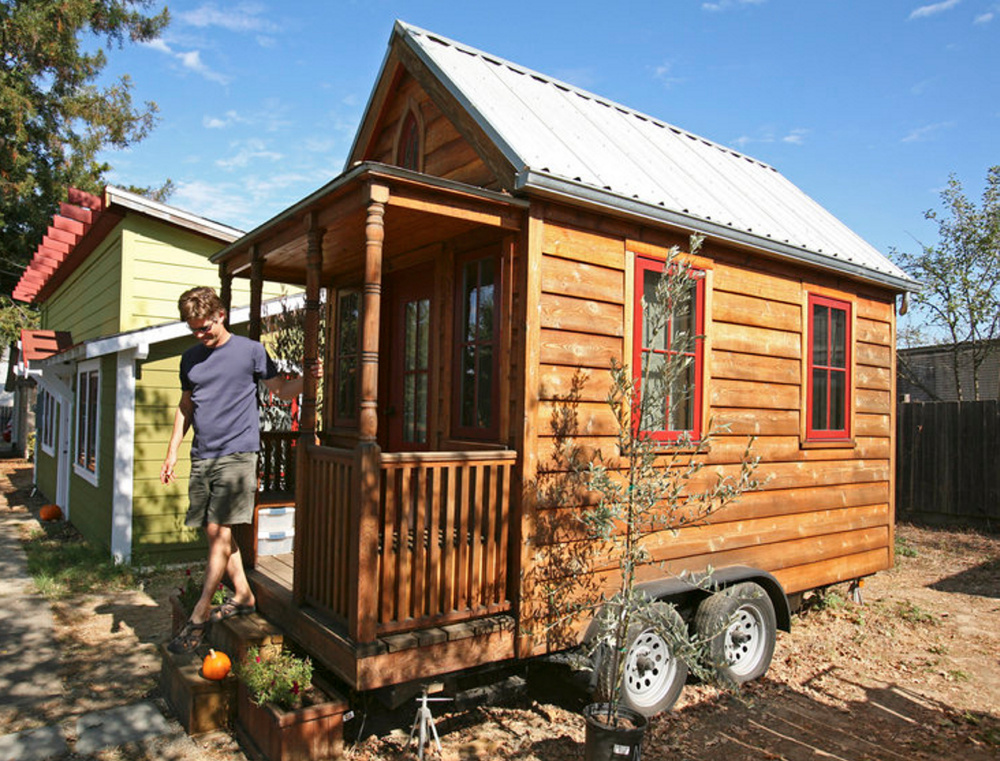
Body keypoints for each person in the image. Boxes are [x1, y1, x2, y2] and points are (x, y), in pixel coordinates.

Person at [161, 286, 308, 654]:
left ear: (221, 315)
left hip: (238, 453)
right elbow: (185, 408)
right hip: (203, 455)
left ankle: (198, 614)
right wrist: (171, 452)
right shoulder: (190, 359)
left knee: (217, 529)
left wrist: (312, 378)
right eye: (194, 329)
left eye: (205, 327)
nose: (201, 335)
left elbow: (282, 391)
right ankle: (242, 594)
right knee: (218, 536)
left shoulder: (251, 351)